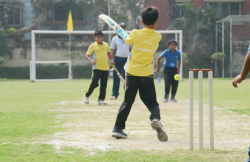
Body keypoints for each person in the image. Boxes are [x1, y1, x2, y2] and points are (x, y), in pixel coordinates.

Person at [111, 6, 168, 142]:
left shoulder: (135, 33)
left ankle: (117, 129)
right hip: (146, 74)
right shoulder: (157, 36)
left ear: (142, 21)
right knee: (152, 102)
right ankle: (155, 118)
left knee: (127, 102)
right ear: (156, 22)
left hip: (132, 73)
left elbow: (129, 42)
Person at [84, 30, 113, 105]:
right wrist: (91, 60)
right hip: (97, 67)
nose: (99, 38)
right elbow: (87, 55)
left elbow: (109, 53)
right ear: (95, 38)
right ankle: (86, 95)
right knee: (94, 82)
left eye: (100, 37)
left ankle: (101, 99)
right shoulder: (93, 46)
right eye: (97, 37)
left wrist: (111, 61)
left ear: (102, 37)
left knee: (104, 85)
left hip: (105, 68)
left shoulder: (106, 45)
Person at [110, 22, 130, 100]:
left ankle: (127, 93)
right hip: (117, 59)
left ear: (125, 28)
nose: (121, 28)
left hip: (127, 59)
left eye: (122, 27)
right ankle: (115, 94)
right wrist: (111, 60)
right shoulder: (114, 39)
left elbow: (131, 49)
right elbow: (113, 50)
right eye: (119, 27)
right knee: (117, 77)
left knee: (127, 77)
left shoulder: (128, 37)